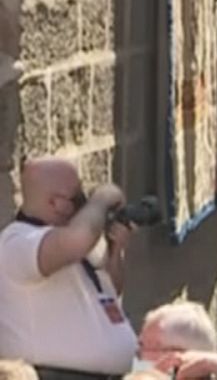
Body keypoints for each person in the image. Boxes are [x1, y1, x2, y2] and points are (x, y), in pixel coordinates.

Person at [0, 158, 138, 376]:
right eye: (78, 196)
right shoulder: (18, 242)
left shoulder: (70, 244)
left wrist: (115, 250)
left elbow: (112, 291)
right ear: (55, 203)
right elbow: (78, 238)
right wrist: (103, 198)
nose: (84, 203)